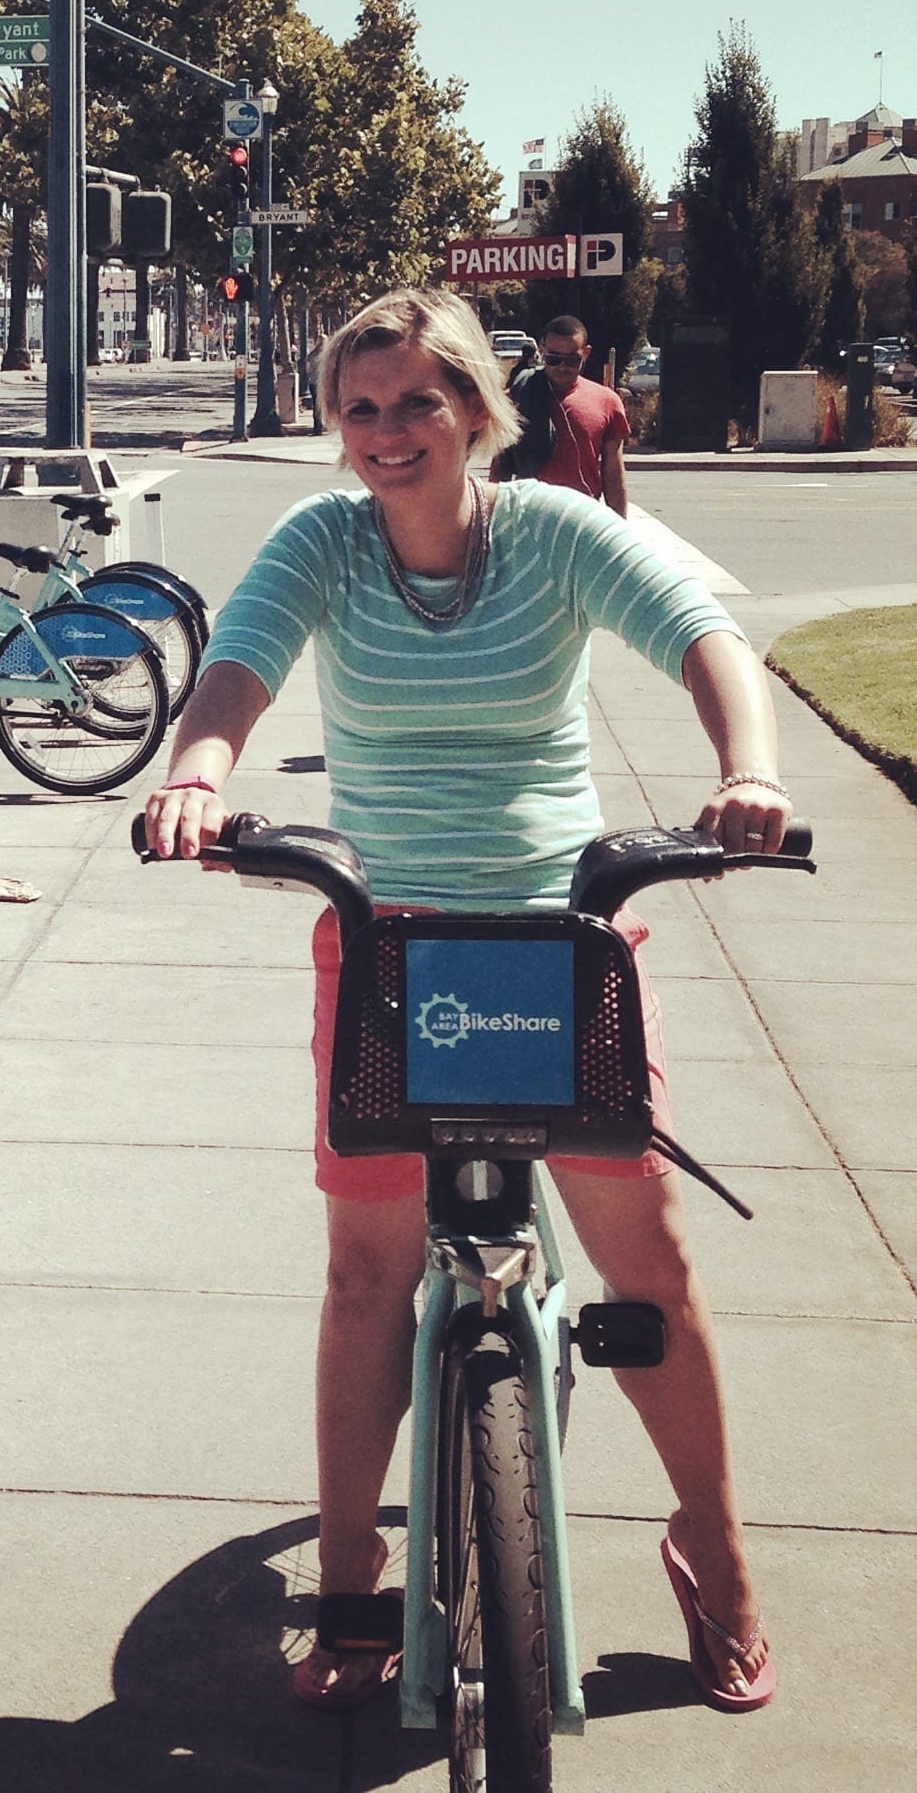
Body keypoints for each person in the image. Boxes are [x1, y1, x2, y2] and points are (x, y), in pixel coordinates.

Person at [144, 288, 787, 1716]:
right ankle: (358, 1576)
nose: (384, 434)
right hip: (389, 940)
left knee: (649, 1261)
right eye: (358, 409)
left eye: (415, 404)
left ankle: (716, 1551)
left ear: (477, 415)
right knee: (368, 1274)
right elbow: (239, 664)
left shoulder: (551, 529)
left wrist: (749, 768)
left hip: (558, 930)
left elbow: (701, 634)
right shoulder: (324, 540)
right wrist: (198, 772)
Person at [490, 313, 631, 516]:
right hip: (529, 516)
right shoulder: (518, 396)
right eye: (553, 359)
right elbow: (500, 466)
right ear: (542, 351)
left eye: (572, 360)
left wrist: (619, 528)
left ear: (586, 353)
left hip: (582, 518)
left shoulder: (607, 402)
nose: (562, 367)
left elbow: (613, 474)